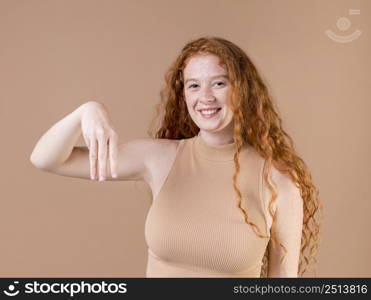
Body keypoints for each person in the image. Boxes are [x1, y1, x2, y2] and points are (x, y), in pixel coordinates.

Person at [30, 36, 322, 278]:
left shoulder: (278, 179)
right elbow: (46, 159)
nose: (205, 97)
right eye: (194, 85)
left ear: (243, 90)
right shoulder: (160, 159)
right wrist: (87, 111)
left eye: (219, 83)